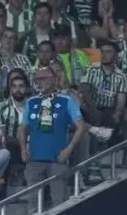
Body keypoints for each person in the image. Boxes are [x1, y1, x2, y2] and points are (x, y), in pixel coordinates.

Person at [17, 67, 86, 207]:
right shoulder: (31, 101)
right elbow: (22, 127)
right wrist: (23, 148)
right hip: (34, 159)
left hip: (57, 160)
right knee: (33, 204)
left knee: (59, 203)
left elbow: (81, 127)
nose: (39, 82)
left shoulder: (67, 100)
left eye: (42, 79)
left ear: (53, 80)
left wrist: (68, 150)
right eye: (37, 79)